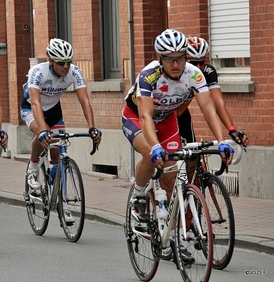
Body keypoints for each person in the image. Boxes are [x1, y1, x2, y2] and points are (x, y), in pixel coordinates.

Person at [122, 29, 234, 264]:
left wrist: (222, 140)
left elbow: (208, 107)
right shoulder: (149, 76)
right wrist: (154, 146)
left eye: (181, 57)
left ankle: (174, 238)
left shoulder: (194, 75)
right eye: (170, 58)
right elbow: (145, 116)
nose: (176, 63)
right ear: (159, 58)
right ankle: (139, 196)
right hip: (137, 119)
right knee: (151, 156)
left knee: (172, 180)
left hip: (168, 121)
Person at [20, 38, 102, 223]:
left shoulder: (74, 72)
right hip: (31, 108)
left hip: (54, 111)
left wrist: (92, 127)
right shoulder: (38, 72)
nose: (65, 67)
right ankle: (33, 167)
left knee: (57, 154)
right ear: (50, 60)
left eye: (68, 62)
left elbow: (84, 100)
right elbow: (35, 102)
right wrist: (42, 130)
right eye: (61, 63)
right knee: (43, 135)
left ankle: (62, 201)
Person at [177, 36, 248, 147]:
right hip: (162, 115)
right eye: (194, 63)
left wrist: (231, 129)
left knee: (193, 159)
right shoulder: (175, 72)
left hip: (181, 113)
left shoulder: (207, 72)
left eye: (202, 62)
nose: (199, 67)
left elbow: (218, 103)